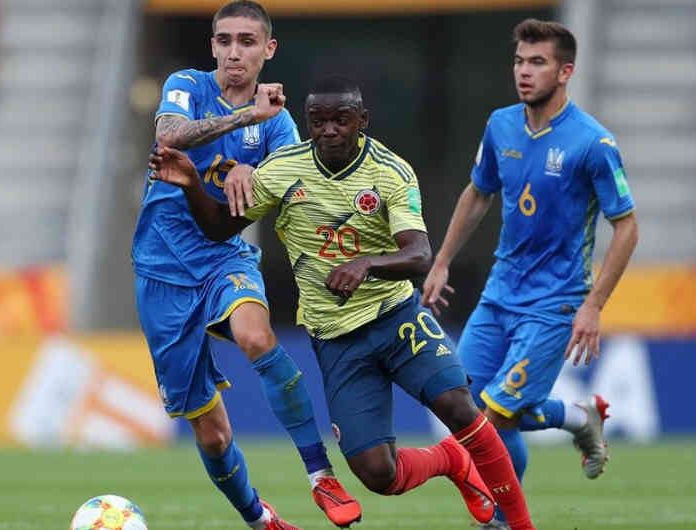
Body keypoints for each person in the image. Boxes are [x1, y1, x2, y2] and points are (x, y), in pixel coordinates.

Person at [150, 76, 540, 530]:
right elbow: (219, 229)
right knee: (379, 474)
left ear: (362, 121)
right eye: (318, 121)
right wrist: (193, 183)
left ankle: (520, 525)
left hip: (396, 320)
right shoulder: (282, 169)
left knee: (460, 407)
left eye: (341, 120)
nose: (329, 129)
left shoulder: (390, 171)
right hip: (337, 342)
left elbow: (418, 255)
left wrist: (366, 264)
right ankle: (450, 461)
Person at [130, 2, 359, 529]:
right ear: (213, 46)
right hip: (161, 272)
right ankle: (260, 519)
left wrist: (246, 170)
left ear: (268, 49)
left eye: (248, 41)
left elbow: (265, 191)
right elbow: (170, 135)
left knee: (257, 336)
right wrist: (242, 122)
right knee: (213, 435)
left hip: (223, 258)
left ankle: (319, 472)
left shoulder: (278, 127)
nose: (235, 51)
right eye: (226, 40)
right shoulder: (186, 84)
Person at [421, 18, 639, 529]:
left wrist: (593, 306)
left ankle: (498, 519)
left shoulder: (593, 143)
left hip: (554, 302)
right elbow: (479, 192)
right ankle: (576, 417)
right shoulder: (501, 125)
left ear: (565, 71)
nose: (523, 71)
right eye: (519, 61)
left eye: (537, 62)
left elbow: (627, 228)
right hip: (500, 293)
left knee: (493, 420)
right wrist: (443, 260)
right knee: (464, 408)